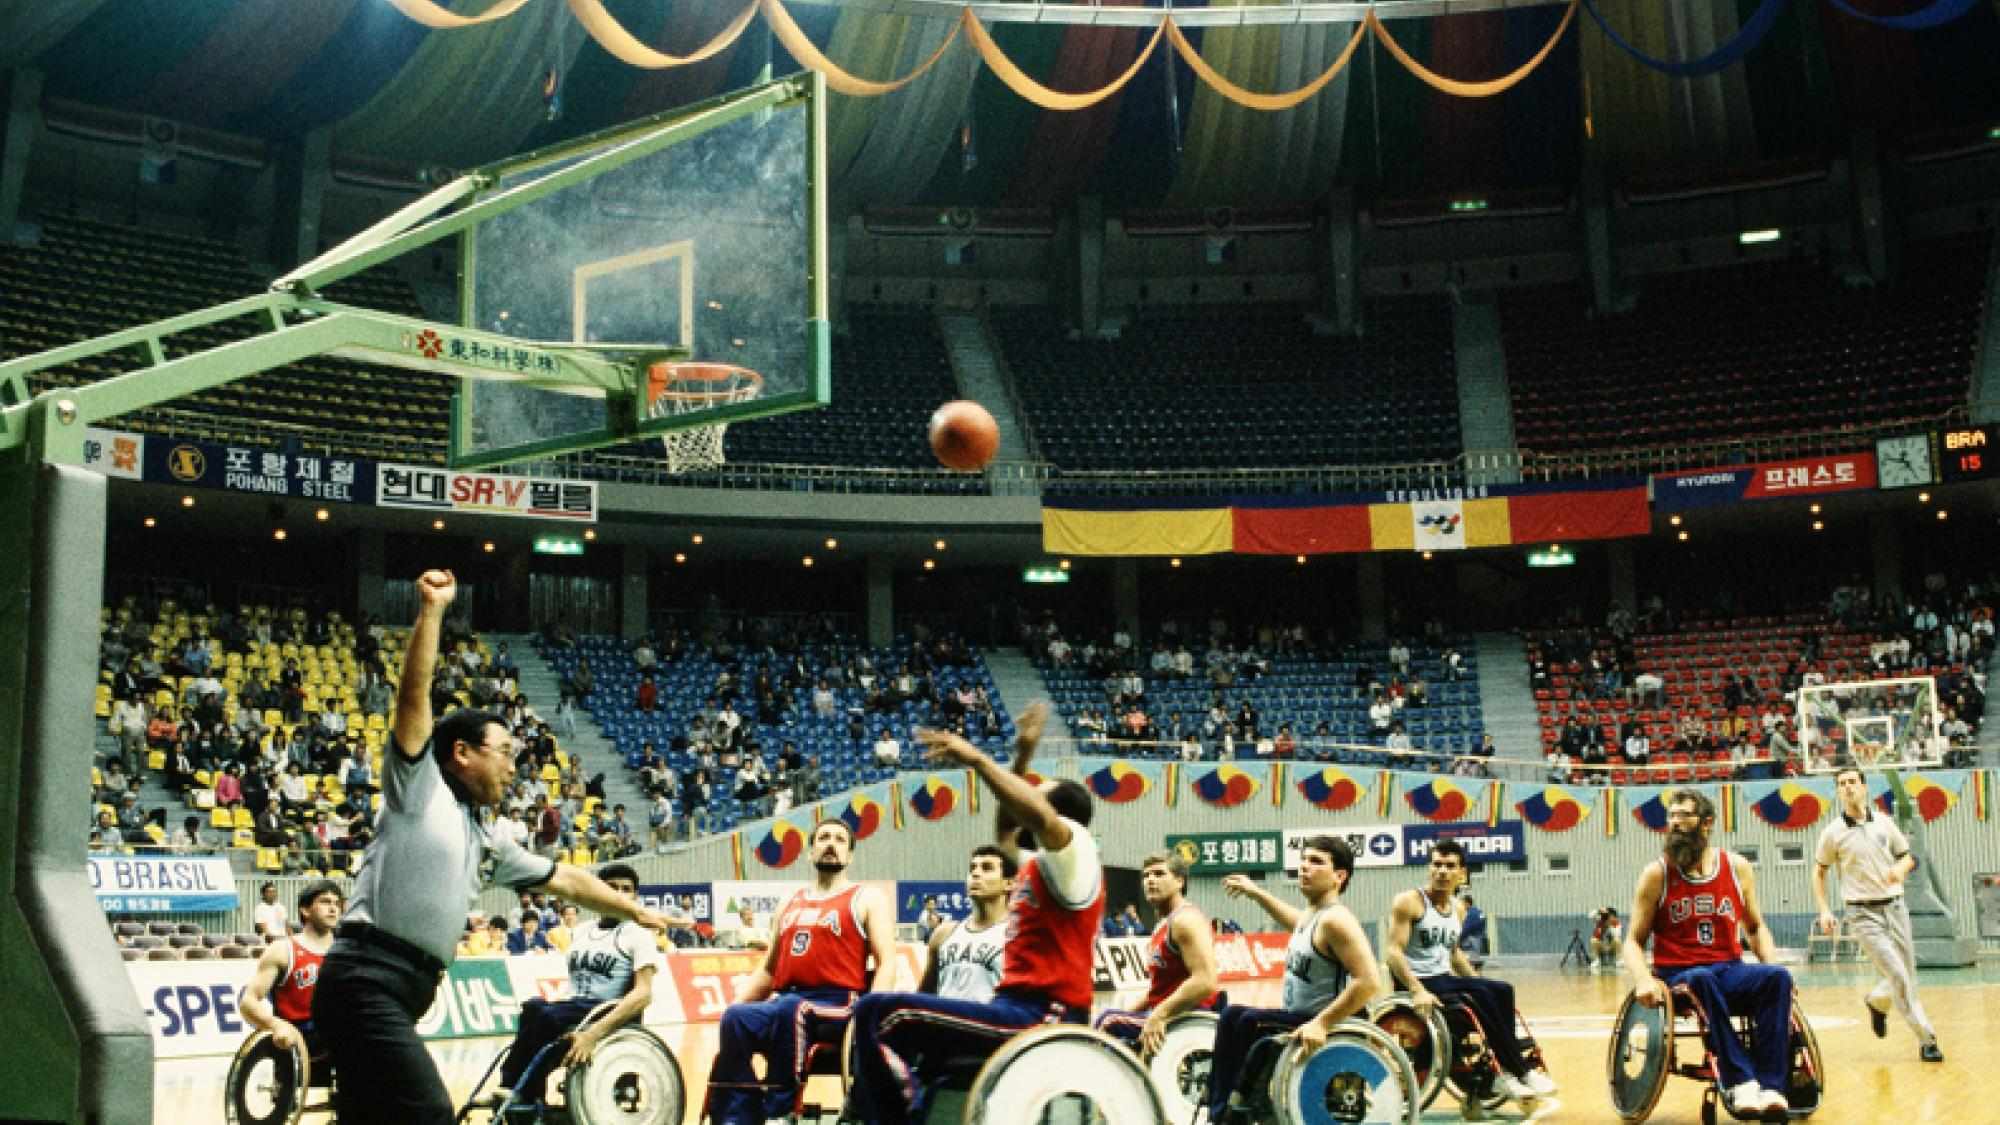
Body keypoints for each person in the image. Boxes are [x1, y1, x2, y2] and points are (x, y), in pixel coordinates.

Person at [312, 570, 669, 1124]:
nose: (512, 765)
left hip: (402, 990)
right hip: (365, 979)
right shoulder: (418, 790)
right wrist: (431, 611)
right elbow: (412, 696)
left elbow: (567, 880)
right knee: (429, 1112)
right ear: (461, 752)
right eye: (503, 751)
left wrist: (633, 908)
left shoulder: (487, 837)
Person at [844, 703, 1104, 1125]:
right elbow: (1004, 833)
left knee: (880, 1013)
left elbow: (1034, 814)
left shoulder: (1077, 851)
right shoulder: (1038, 864)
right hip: (1014, 1006)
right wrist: (1021, 757)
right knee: (892, 1025)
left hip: (1045, 1014)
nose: (1029, 794)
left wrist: (976, 758)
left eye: (1039, 792)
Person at [704, 819, 897, 1125]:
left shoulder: (866, 898)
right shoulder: (789, 903)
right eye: (823, 838)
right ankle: (740, 1114)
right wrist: (737, 1004)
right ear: (810, 853)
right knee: (736, 1019)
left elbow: (887, 960)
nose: (831, 844)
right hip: (788, 1001)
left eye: (839, 840)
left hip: (838, 1004)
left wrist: (871, 1017)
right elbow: (769, 969)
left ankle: (781, 1111)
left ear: (850, 856)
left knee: (794, 1009)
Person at [1620, 788, 1793, 1119]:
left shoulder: (1736, 867)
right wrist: (1642, 979)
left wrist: (1772, 964)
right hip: (1678, 975)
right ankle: (1739, 1081)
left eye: (1684, 816)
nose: (1675, 824)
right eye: (1671, 817)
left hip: (1728, 967)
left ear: (1707, 823)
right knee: (1701, 978)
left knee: (1777, 978)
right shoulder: (1657, 874)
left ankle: (1772, 1087)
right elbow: (1632, 941)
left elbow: (1755, 928)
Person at [1206, 839, 1380, 1124]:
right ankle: (1219, 1103)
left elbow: (1369, 982)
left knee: (1249, 1020)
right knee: (1231, 1015)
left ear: (1340, 876)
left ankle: (1239, 1108)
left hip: (1320, 1021)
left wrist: (1322, 1023)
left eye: (1316, 861)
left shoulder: (1337, 920)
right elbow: (1293, 919)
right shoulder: (1313, 916)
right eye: (1303, 860)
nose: (1304, 867)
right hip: (1297, 1017)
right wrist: (1256, 893)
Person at [1384, 841, 1557, 1102]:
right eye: (1437, 865)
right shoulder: (1409, 902)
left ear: (1462, 873)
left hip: (1444, 978)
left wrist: (1479, 981)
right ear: (1429, 868)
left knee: (1501, 990)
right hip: (1417, 981)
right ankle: (1517, 1070)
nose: (1442, 871)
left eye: (1450, 866)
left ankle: (1507, 1070)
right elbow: (1393, 953)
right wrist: (1416, 989)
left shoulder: (1458, 909)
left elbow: (1453, 954)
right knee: (1484, 995)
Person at [486, 864, 665, 1110]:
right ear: (598, 892)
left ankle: (525, 1090)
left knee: (548, 1016)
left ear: (635, 896)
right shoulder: (581, 931)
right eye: (612, 888)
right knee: (532, 1007)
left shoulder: (638, 935)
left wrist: (593, 1034)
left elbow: (643, 994)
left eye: (627, 890)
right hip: (576, 1006)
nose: (620, 895)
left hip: (606, 1011)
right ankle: (511, 1086)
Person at [1812, 767, 1942, 1061]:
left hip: (1895, 907)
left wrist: (1900, 868)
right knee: (1897, 973)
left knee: (1906, 975)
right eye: (1841, 784)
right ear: (1837, 791)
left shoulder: (1884, 823)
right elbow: (1819, 871)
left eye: (1852, 782)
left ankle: (1878, 1001)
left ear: (1865, 787)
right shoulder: (1832, 833)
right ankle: (1927, 1039)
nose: (1848, 788)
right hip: (1862, 914)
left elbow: (1909, 857)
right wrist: (1823, 908)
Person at [1093, 850, 1221, 1056]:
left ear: (1180, 881)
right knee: (1116, 1017)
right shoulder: (1163, 923)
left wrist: (1159, 1015)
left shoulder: (1185, 921)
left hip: (1187, 1017)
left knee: (1108, 1021)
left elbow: (1206, 981)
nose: (1150, 880)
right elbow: (1158, 990)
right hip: (1170, 1013)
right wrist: (1130, 1012)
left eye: (1159, 874)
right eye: (1146, 875)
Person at [238, 881, 344, 1083]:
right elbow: (248, 1002)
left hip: (340, 1035)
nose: (333, 908)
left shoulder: (347, 951)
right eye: (325, 902)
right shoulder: (282, 950)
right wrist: (275, 1025)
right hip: (299, 1038)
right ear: (305, 910)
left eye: (336, 903)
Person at [917, 846, 1015, 1001]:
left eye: (987, 868)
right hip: (944, 1023)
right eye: (972, 869)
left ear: (1009, 883)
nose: (976, 873)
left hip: (989, 1022)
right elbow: (924, 997)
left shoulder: (1017, 937)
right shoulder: (943, 934)